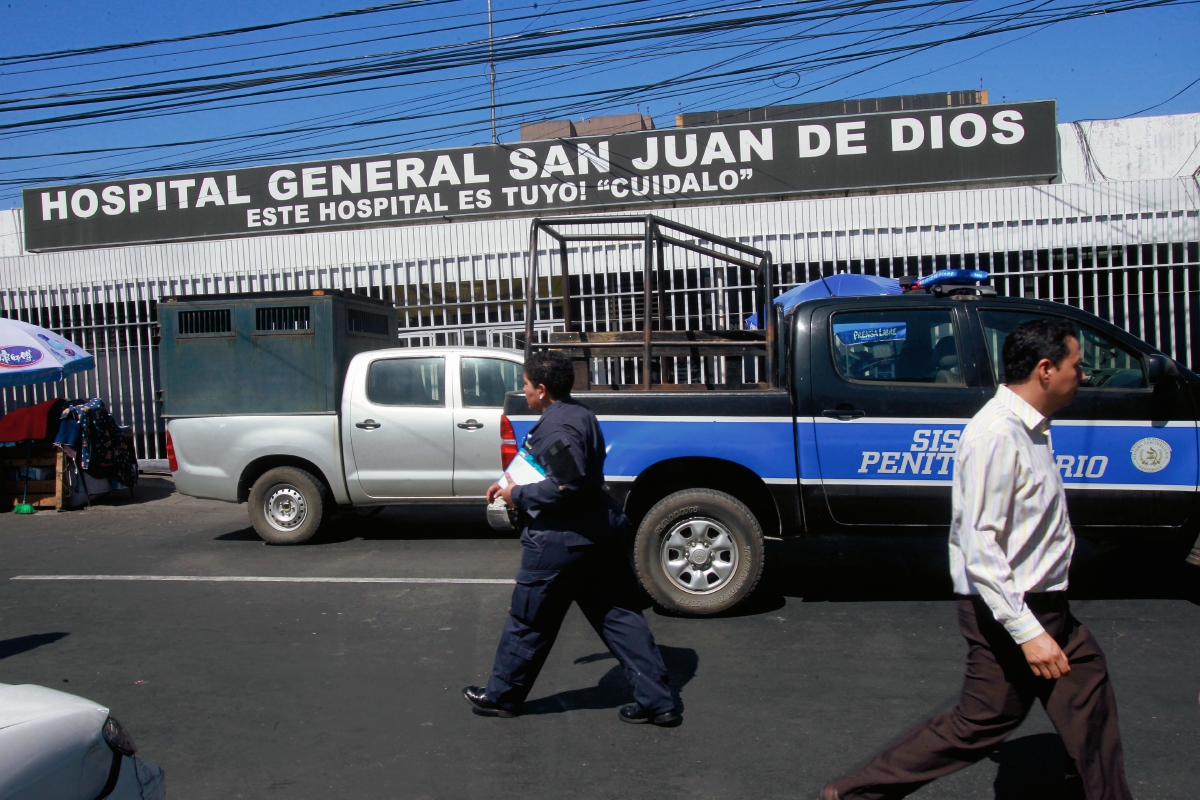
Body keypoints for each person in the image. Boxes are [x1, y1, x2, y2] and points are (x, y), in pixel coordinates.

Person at [823, 318, 1132, 800]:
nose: (1084, 376)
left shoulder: (1032, 428)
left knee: (1088, 702)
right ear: (1046, 369)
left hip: (1045, 606)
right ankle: (853, 794)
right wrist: (1028, 634)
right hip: (1010, 608)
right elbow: (980, 545)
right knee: (979, 724)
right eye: (1078, 365)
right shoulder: (995, 434)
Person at [463, 350, 679, 726]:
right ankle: (659, 702)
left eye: (527, 385)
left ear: (542, 390)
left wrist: (518, 496)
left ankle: (502, 696)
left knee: (529, 620)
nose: (524, 391)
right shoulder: (580, 414)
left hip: (561, 540)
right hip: (599, 534)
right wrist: (507, 482)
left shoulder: (556, 427)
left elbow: (569, 484)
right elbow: (548, 467)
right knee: (619, 616)